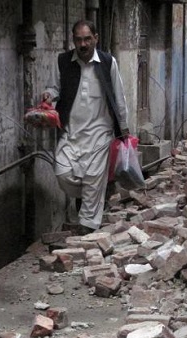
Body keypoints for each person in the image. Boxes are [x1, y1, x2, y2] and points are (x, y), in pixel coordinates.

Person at [42, 20, 129, 235]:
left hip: (100, 131)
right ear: (73, 40)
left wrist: (124, 128)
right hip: (71, 132)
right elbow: (54, 87)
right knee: (62, 172)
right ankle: (95, 193)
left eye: (87, 39)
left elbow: (119, 96)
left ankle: (87, 230)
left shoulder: (108, 62)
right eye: (79, 39)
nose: (83, 44)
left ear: (95, 39)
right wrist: (49, 95)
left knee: (92, 177)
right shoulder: (63, 61)